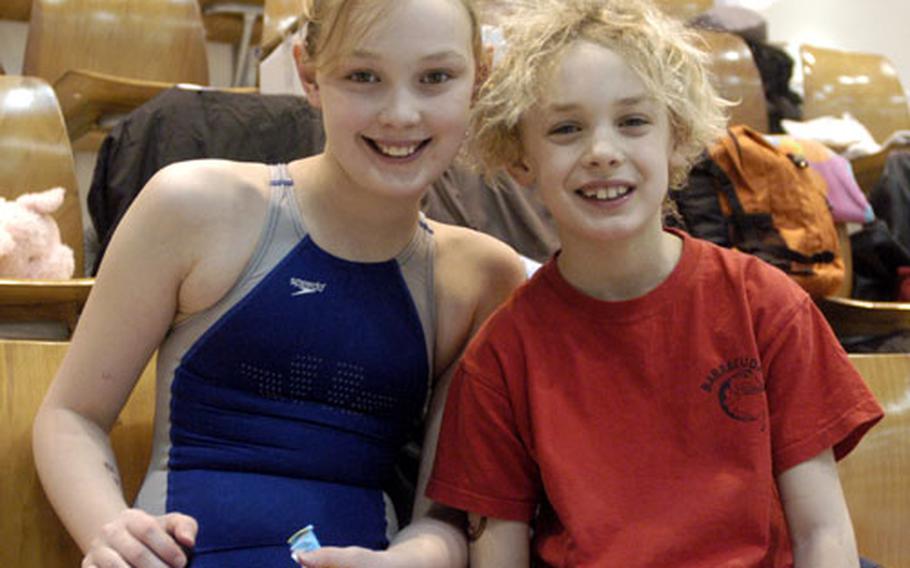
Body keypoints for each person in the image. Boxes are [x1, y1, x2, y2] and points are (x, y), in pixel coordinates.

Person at [32, 0, 525, 566]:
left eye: (435, 78)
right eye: (363, 77)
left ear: (479, 79)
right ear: (310, 76)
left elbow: (444, 515)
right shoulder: (192, 207)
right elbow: (71, 415)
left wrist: (400, 562)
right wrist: (109, 529)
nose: (401, 113)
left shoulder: (483, 278)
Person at [426, 1, 885, 566]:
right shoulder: (500, 358)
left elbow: (825, 538)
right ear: (521, 157)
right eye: (566, 128)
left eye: (633, 121)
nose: (602, 152)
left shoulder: (765, 305)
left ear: (678, 136)